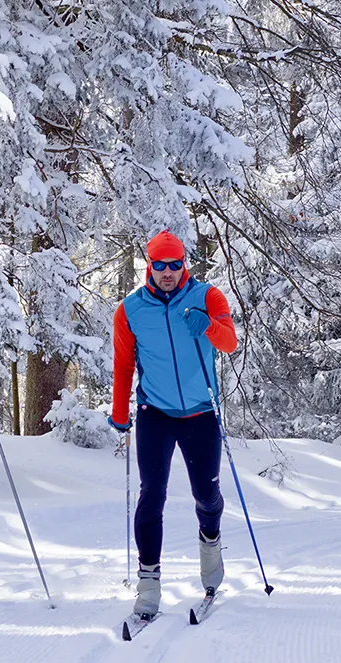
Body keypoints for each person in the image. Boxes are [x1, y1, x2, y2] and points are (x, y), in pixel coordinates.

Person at [108, 230, 238, 617]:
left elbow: (229, 342)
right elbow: (124, 364)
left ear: (185, 264)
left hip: (200, 413)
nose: (168, 272)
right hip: (155, 414)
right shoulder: (130, 309)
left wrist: (208, 326)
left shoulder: (207, 297)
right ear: (149, 265)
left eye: (175, 264)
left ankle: (211, 543)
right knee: (152, 496)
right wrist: (119, 411)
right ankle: (148, 586)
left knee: (206, 496)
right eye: (160, 265)